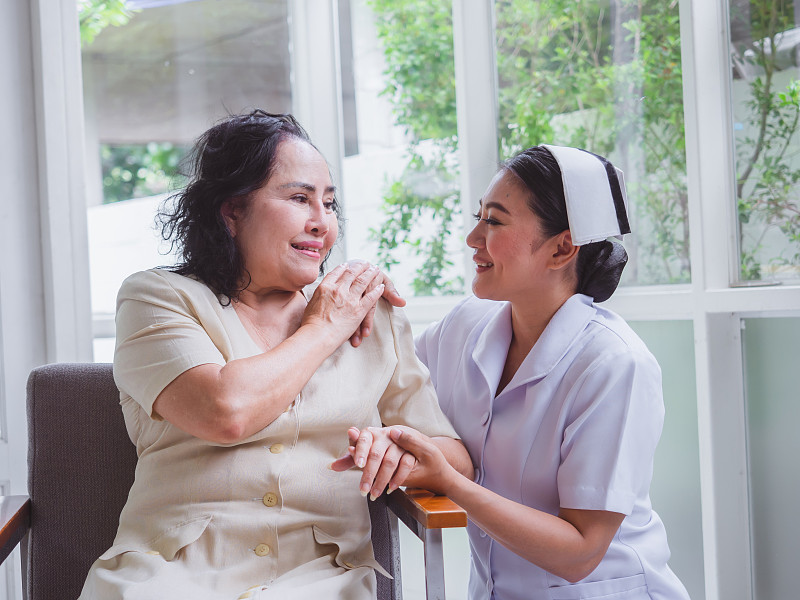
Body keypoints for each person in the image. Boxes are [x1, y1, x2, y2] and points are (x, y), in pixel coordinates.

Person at [78, 110, 472, 600]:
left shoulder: (375, 318)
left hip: (322, 580)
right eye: (299, 198)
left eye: (329, 204)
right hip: (171, 575)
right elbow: (226, 412)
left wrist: (400, 454)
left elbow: (455, 460)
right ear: (232, 211)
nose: (321, 223)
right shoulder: (155, 298)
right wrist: (326, 325)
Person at [352, 145, 690, 599]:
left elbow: (580, 553)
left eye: (493, 221)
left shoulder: (614, 365)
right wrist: (356, 304)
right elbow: (383, 381)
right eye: (479, 217)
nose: (473, 238)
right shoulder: (465, 326)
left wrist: (450, 481)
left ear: (562, 248)